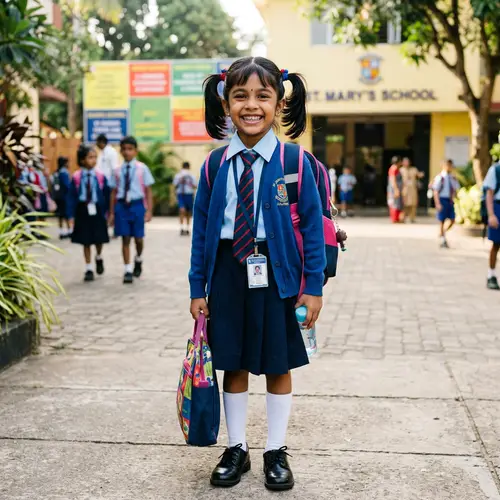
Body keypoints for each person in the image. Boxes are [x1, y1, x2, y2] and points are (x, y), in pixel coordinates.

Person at [189, 57, 325, 492]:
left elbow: (315, 230)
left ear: (279, 102)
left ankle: (276, 450)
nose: (251, 105)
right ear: (226, 103)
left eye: (262, 96)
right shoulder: (214, 166)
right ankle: (238, 447)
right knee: (233, 361)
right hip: (228, 274)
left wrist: (313, 288)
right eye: (240, 96)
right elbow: (201, 231)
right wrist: (198, 287)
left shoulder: (295, 162)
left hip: (280, 276)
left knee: (278, 363)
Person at [108, 136, 155, 284]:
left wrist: (149, 211)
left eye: (130, 149)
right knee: (125, 238)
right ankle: (127, 269)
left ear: (136, 151)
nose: (127, 152)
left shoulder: (142, 168)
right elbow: (113, 192)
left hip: (137, 206)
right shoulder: (117, 171)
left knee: (139, 238)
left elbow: (148, 190)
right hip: (122, 206)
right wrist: (111, 212)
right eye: (124, 149)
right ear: (120, 151)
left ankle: (138, 258)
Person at [67, 145, 110, 282]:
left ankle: (98, 256)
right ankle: (88, 267)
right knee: (85, 240)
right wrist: (70, 216)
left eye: (95, 157)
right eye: (90, 157)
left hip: (97, 209)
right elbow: (71, 197)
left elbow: (107, 195)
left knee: (98, 238)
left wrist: (108, 213)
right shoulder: (77, 177)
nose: (93, 160)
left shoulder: (101, 176)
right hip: (83, 209)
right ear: (82, 160)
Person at [432, 159, 460, 248]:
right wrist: (437, 203)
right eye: (448, 165)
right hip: (442, 199)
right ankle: (443, 239)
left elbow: (455, 189)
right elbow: (435, 191)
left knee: (452, 219)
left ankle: (442, 232)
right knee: (442, 220)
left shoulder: (453, 177)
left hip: (450, 200)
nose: (449, 167)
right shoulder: (440, 177)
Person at [483, 163, 500, 290]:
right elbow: (489, 193)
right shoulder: (495, 169)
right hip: (498, 207)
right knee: (496, 244)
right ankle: (491, 275)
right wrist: (491, 215)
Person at [173, 161, 197, 236]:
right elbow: (175, 185)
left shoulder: (189, 176)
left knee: (186, 212)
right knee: (184, 211)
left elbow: (195, 186)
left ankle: (185, 228)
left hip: (186, 194)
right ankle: (183, 228)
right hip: (184, 194)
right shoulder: (180, 176)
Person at [51, 156, 72, 239]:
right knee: (66, 214)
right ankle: (69, 230)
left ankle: (61, 231)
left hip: (58, 196)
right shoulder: (64, 172)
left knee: (60, 215)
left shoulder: (56, 172)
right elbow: (67, 185)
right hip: (64, 197)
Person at [401, 157, 424, 223]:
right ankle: (403, 218)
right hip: (404, 189)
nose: (406, 163)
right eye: (405, 162)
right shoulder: (401, 170)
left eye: (407, 162)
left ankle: (412, 218)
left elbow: (419, 175)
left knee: (413, 204)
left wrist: (421, 174)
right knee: (404, 204)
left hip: (412, 189)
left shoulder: (414, 169)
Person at [387, 157, 404, 223]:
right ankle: (394, 218)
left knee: (398, 203)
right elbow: (392, 179)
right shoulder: (393, 168)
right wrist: (396, 190)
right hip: (394, 189)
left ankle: (397, 218)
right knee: (395, 203)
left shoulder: (397, 168)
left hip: (397, 188)